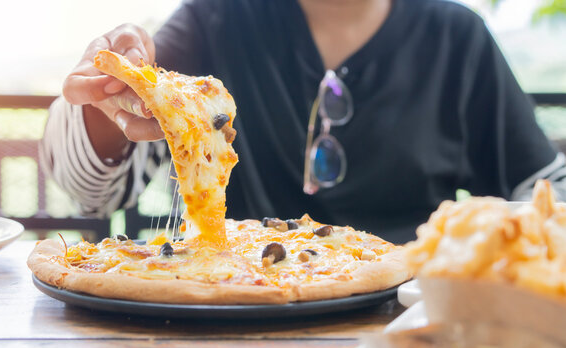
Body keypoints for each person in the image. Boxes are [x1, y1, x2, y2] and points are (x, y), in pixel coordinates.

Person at [39, 0, 566, 244]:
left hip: (409, 321)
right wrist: (110, 93)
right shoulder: (215, 20)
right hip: (234, 315)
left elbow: (545, 191)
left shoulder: (457, 37)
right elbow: (88, 189)